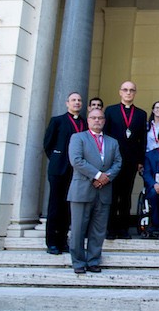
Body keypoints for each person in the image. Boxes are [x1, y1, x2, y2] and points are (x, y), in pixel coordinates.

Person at [67, 109, 122, 274]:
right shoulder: (78, 138)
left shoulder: (112, 142)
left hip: (103, 191)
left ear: (104, 121)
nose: (97, 120)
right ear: (88, 120)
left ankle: (93, 261)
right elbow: (76, 160)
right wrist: (97, 175)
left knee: (98, 230)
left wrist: (106, 177)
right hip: (82, 190)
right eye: (93, 118)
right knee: (78, 229)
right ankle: (78, 262)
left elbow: (118, 163)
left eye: (100, 118)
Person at [43, 92, 88, 255]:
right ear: (67, 103)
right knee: (55, 206)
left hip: (77, 172)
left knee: (69, 207)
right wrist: (57, 158)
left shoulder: (84, 123)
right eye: (73, 100)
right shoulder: (57, 121)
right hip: (59, 170)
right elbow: (48, 144)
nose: (77, 103)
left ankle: (63, 241)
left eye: (79, 100)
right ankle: (52, 242)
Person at [104, 80, 147, 239]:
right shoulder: (111, 111)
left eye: (132, 90)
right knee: (112, 195)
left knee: (126, 195)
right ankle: (111, 229)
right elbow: (106, 136)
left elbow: (142, 139)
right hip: (112, 161)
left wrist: (140, 161)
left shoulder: (141, 114)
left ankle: (123, 229)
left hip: (130, 161)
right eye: (125, 90)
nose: (128, 93)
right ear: (120, 92)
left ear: (135, 93)